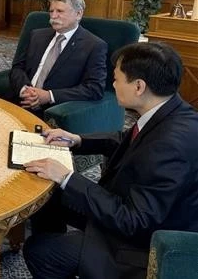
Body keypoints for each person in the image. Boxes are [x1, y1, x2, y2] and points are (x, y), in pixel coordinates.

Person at [22, 42, 198, 279]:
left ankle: (66, 249)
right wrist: (77, 140)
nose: (112, 85)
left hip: (141, 246)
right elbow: (126, 138)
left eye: (116, 79)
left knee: (39, 251)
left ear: (138, 86)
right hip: (129, 206)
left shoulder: (169, 146)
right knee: (49, 193)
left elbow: (133, 221)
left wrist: (67, 177)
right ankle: (70, 241)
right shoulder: (171, 109)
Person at [9, 0, 107, 114]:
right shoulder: (37, 36)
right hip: (21, 99)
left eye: (60, 11)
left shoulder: (94, 46)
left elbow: (95, 88)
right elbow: (18, 67)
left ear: (78, 14)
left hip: (52, 109)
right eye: (51, 11)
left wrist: (49, 96)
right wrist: (24, 90)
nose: (53, 16)